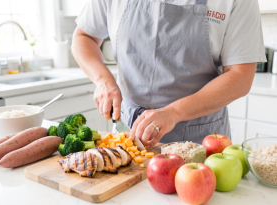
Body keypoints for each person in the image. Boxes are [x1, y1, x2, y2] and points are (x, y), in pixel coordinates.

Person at [71, 0, 266, 148]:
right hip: (128, 132)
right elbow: (84, 36)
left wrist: (173, 112)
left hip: (198, 141)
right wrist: (103, 80)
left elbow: (240, 76)